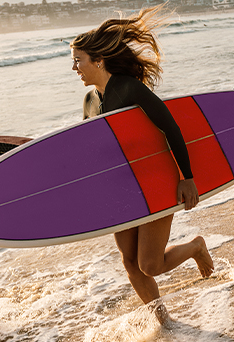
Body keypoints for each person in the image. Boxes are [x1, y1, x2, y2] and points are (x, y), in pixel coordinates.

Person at [69, 4, 214, 324]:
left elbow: (169, 126)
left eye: (78, 61)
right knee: (130, 263)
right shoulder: (90, 101)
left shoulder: (128, 88)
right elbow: (91, 148)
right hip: (120, 188)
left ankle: (195, 247)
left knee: (150, 264)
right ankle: (165, 321)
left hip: (153, 179)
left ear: (98, 60)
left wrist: (186, 177)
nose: (75, 68)